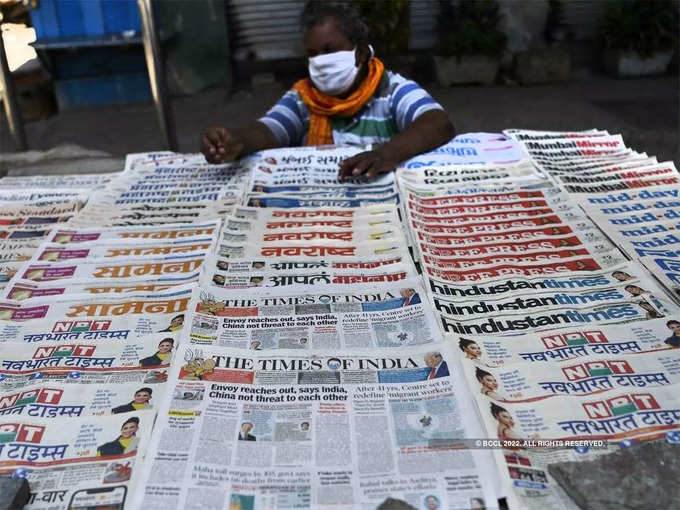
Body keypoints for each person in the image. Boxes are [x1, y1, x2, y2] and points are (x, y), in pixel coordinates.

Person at [200, 1, 454, 181]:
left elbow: (437, 122)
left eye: (330, 51)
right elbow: (269, 129)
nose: (320, 61)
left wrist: (387, 153)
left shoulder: (390, 89)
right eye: (312, 54)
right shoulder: (304, 98)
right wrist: (236, 141)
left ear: (362, 52)